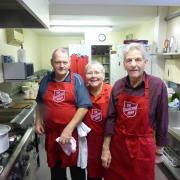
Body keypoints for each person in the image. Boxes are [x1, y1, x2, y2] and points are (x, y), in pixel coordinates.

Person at [101, 43, 168, 180]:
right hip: (119, 147)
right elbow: (111, 118)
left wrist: (160, 149)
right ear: (123, 64)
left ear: (145, 62)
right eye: (129, 60)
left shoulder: (157, 85)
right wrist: (105, 148)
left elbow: (163, 119)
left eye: (137, 60)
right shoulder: (118, 86)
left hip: (143, 148)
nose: (133, 64)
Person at [35, 48, 92, 180]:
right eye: (58, 62)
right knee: (56, 172)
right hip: (52, 134)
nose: (61, 65)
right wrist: (38, 120)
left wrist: (68, 129)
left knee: (77, 172)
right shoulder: (45, 80)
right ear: (52, 62)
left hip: (72, 134)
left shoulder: (76, 80)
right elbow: (39, 103)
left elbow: (83, 107)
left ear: (70, 62)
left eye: (65, 62)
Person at [84, 61, 112, 180]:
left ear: (103, 76)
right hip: (88, 142)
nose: (93, 76)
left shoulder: (112, 91)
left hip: (110, 141)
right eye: (90, 73)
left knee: (111, 173)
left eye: (97, 72)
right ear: (85, 76)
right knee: (93, 175)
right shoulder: (81, 92)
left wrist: (107, 148)